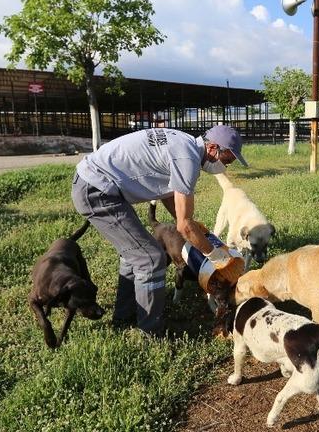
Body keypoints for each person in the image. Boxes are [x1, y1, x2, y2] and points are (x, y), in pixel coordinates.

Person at [71, 125, 248, 336]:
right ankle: (150, 332)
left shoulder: (184, 143)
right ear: (212, 149)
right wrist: (214, 254)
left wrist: (189, 224)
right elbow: (184, 226)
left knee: (134, 255)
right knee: (150, 258)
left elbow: (167, 193)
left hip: (96, 183)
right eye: (227, 160)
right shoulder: (187, 159)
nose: (227, 166)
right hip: (96, 190)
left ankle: (124, 317)